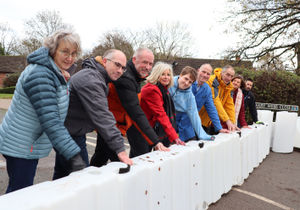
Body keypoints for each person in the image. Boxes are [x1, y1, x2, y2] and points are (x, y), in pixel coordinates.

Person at [0, 29, 86, 193]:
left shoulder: (53, 72)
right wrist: (73, 155)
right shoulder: (40, 75)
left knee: (21, 192)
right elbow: (51, 119)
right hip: (20, 145)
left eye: (74, 53)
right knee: (20, 194)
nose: (70, 58)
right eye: (65, 52)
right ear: (53, 50)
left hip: (27, 143)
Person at [53, 49, 133, 179]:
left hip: (73, 132)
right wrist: (120, 149)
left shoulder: (98, 77)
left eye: (123, 68)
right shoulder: (91, 79)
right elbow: (102, 115)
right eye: (117, 65)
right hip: (67, 136)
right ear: (105, 61)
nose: (120, 71)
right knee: (84, 178)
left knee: (62, 176)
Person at [90, 47, 169, 164]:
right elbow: (136, 112)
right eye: (144, 62)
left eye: (150, 64)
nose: (147, 67)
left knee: (101, 157)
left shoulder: (135, 77)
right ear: (134, 60)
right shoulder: (126, 78)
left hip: (114, 125)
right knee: (120, 162)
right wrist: (155, 142)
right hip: (111, 126)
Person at [176, 64, 229, 139]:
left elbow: (211, 109)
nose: (205, 75)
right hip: (174, 122)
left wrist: (219, 128)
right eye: (203, 72)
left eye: (208, 74)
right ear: (198, 71)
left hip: (189, 126)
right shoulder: (186, 82)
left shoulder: (207, 89)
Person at [140, 62, 185, 148]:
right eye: (162, 74)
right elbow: (161, 114)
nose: (166, 77)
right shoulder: (152, 90)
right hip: (141, 128)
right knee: (141, 155)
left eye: (168, 74)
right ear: (156, 75)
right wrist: (175, 137)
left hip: (148, 127)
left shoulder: (163, 89)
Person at [169, 66, 214, 141]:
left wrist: (202, 134)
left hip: (177, 119)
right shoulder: (169, 83)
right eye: (186, 79)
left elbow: (194, 115)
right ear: (180, 75)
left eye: (190, 82)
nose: (186, 83)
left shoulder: (190, 96)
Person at [199, 65, 239, 132]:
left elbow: (229, 105)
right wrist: (227, 120)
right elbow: (215, 101)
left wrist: (233, 122)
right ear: (222, 73)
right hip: (199, 117)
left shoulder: (229, 87)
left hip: (210, 121)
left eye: (231, 76)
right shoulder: (212, 81)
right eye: (227, 75)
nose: (229, 78)